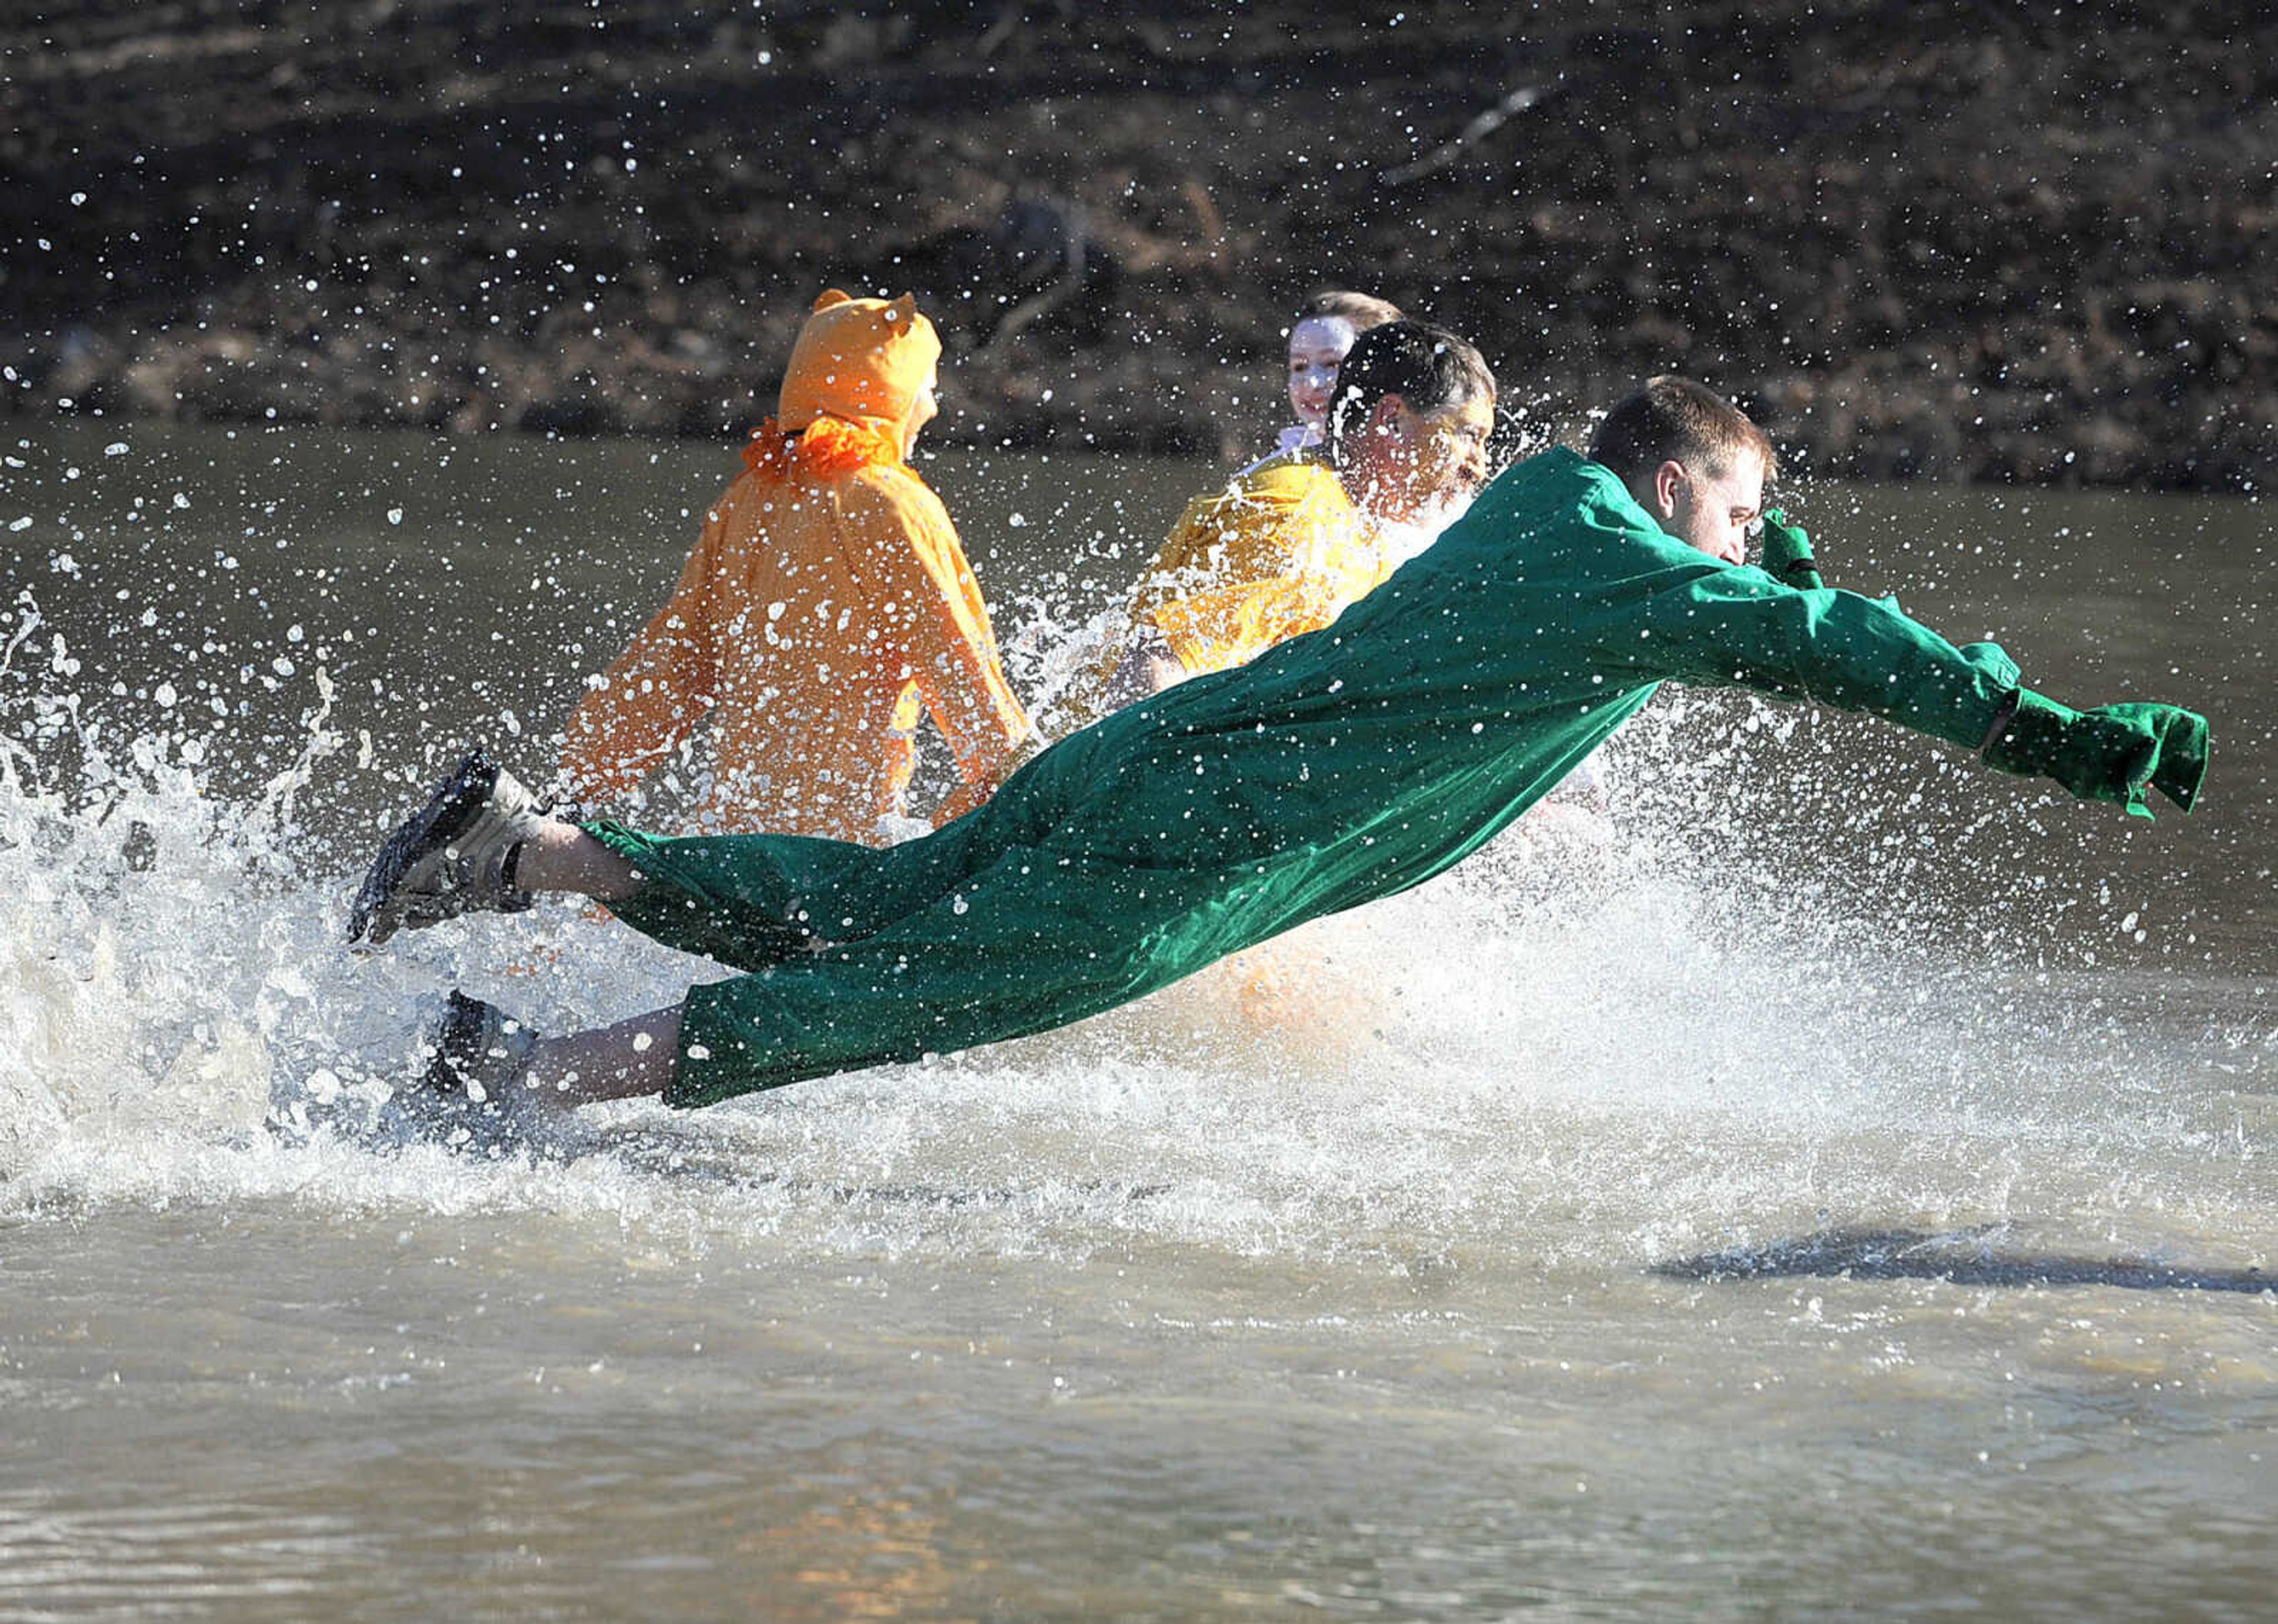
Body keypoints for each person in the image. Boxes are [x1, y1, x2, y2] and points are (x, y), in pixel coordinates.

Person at [346, 376, 2208, 1143]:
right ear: (1675, 486)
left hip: (1160, 748)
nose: (1747, 537)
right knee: (942, 989)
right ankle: (518, 1073)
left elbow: (1769, 608)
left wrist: (1772, 559)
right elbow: (1827, 646)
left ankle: (541, 846)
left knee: (894, 898)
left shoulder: (1549, 497)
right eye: (1741, 501)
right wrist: (2041, 731)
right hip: (1225, 837)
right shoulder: (1654, 579)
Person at [559, 288, 1036, 843]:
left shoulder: (746, 499)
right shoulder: (893, 504)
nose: (933, 406)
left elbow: (671, 668)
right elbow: (961, 668)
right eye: (928, 385)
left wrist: (576, 787)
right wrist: (1032, 795)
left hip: (733, 843)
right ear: (890, 391)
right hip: (842, 853)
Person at [1067, 319, 1497, 722]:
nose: (1479, 465)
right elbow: (1149, 667)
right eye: (1468, 437)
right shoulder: (1297, 518)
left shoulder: (1357, 514)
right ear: (1391, 419)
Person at [1264, 289, 1405, 460]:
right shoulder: (1271, 476)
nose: (1312, 383)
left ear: (1382, 368)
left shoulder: (1428, 464)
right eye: (1300, 367)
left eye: (1332, 364)